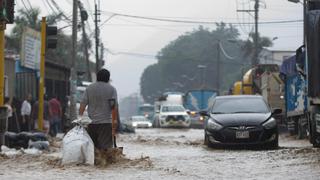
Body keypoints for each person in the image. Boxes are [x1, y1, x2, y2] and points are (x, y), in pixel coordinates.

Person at [79, 69, 118, 150]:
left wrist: (79, 118)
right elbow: (113, 107)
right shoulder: (111, 89)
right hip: (106, 124)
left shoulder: (89, 88)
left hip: (91, 123)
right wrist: (114, 122)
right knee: (105, 149)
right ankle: (103, 162)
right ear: (108, 78)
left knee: (92, 148)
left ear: (97, 77)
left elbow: (82, 105)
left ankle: (94, 162)